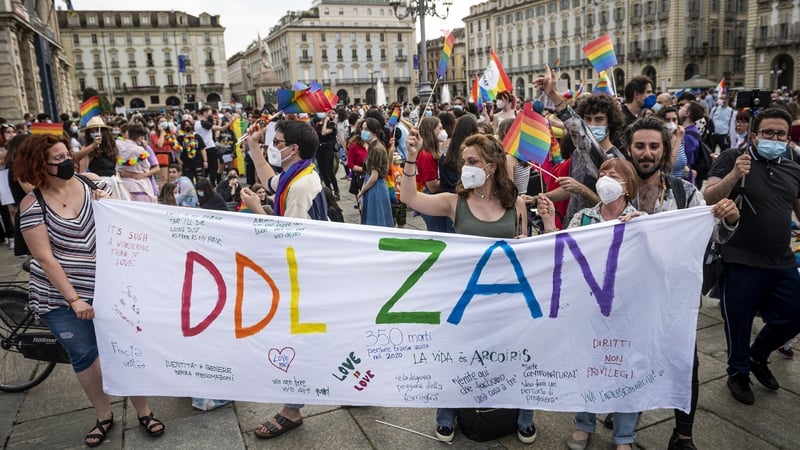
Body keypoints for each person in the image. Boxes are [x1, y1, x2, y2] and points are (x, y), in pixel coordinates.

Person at [16, 134, 165, 447]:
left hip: (109, 289)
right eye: (58, 159)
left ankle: (145, 411)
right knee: (84, 355)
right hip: (60, 296)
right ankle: (103, 415)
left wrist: (112, 207)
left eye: (66, 154)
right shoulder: (32, 205)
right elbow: (44, 257)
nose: (67, 161)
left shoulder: (95, 184)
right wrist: (74, 299)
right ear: (40, 166)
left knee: (126, 349)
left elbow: (129, 227)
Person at [400, 131, 539, 444]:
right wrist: (411, 158)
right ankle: (446, 415)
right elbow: (411, 199)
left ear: (491, 166)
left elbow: (526, 249)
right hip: (464, 298)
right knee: (455, 354)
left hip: (506, 299)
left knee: (516, 355)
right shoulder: (455, 202)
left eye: (472, 161)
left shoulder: (515, 203)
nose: (465, 167)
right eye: (463, 161)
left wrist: (524, 244)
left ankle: (524, 415)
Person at [623, 117, 740, 450]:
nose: (646, 153)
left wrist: (729, 217)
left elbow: (713, 235)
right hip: (625, 299)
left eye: (653, 146)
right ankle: (623, 421)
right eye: (640, 146)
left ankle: (683, 434)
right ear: (629, 149)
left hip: (673, 298)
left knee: (684, 362)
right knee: (625, 358)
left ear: (664, 151)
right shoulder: (614, 189)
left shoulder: (684, 191)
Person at [703, 106, 800, 406]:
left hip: (781, 258)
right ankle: (738, 372)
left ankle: (758, 355)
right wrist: (734, 174)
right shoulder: (734, 157)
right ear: (755, 135)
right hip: (740, 257)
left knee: (795, 313)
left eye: (780, 134)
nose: (774, 138)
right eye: (768, 133)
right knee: (738, 320)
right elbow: (708, 197)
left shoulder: (794, 165)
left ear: (787, 138)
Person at [240, 118, 328, 439]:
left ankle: (291, 410)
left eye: (277, 144)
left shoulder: (304, 185)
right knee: (320, 335)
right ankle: (353, 389)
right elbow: (272, 179)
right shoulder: (297, 175)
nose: (274, 148)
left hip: (306, 274)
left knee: (297, 339)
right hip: (307, 271)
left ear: (293, 149)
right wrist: (253, 149)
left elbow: (289, 238)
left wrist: (256, 209)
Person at [564, 158, 642, 450]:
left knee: (626, 370)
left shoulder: (643, 220)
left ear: (628, 186)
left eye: (614, 175)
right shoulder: (584, 217)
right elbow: (563, 252)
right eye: (603, 173)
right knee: (589, 366)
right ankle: (583, 425)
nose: (606, 178)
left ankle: (624, 435)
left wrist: (643, 229)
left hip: (628, 312)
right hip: (590, 309)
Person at [415, 116, 450, 232]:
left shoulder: (432, 152)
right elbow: (432, 186)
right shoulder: (427, 156)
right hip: (433, 199)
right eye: (440, 128)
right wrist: (450, 177)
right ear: (431, 131)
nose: (443, 131)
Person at [356, 117, 393, 227]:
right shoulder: (372, 146)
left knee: (376, 220)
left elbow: (374, 176)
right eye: (362, 129)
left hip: (376, 187)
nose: (363, 132)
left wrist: (361, 191)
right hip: (372, 185)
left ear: (374, 131)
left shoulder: (376, 149)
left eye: (366, 129)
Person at [195, 106, 232, 186]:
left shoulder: (197, 123)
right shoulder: (203, 123)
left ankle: (204, 184)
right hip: (209, 147)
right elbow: (221, 128)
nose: (210, 115)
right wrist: (231, 121)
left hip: (202, 148)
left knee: (206, 168)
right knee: (213, 168)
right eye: (209, 113)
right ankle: (211, 184)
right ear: (204, 113)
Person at [314, 109, 340, 199]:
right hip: (319, 149)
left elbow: (324, 132)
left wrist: (325, 122)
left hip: (328, 149)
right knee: (323, 172)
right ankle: (328, 191)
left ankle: (336, 191)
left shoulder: (331, 124)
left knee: (329, 172)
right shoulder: (317, 124)